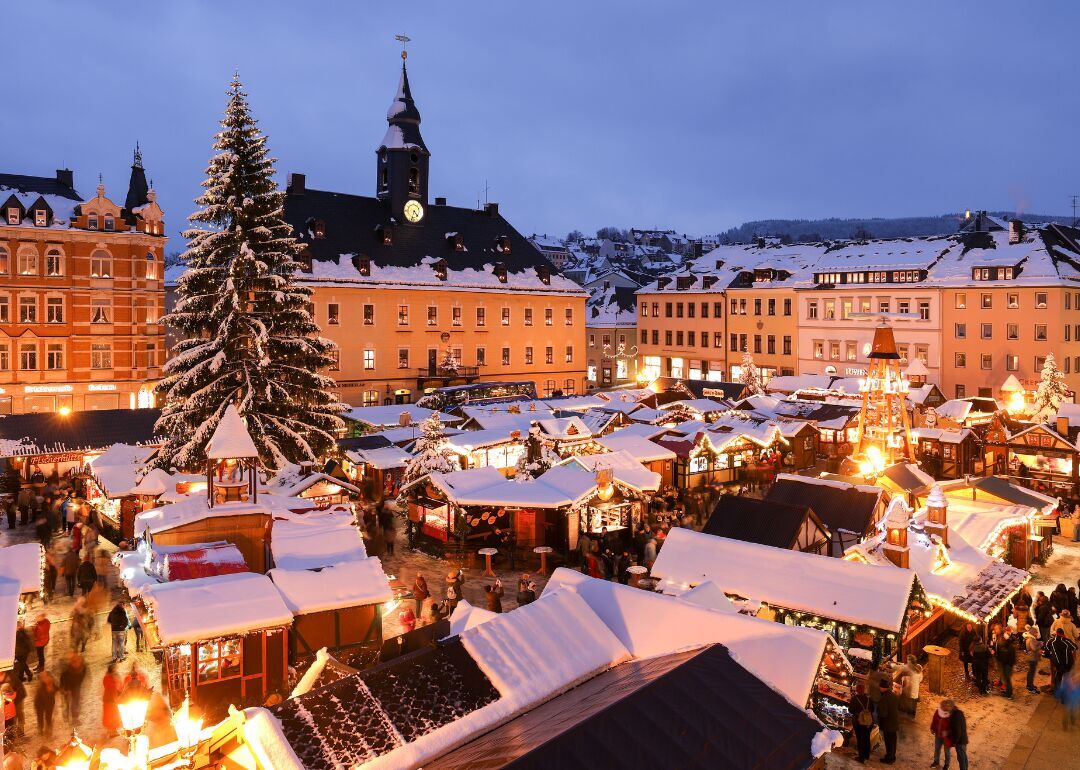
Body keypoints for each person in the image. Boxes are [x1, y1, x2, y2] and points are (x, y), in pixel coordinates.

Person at [1045, 628, 1078, 697]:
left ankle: (1057, 692)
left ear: (1055, 633)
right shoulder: (1067, 641)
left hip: (1058, 663)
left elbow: (1046, 649)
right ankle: (1067, 692)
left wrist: (1049, 655)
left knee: (1058, 677)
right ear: (1063, 634)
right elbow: (1075, 647)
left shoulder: (1051, 641)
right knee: (1067, 676)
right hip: (1068, 662)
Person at [876, 678, 900, 764]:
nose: (879, 688)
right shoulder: (894, 695)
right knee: (893, 741)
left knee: (889, 742)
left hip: (888, 724)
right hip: (894, 722)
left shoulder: (884, 698)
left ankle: (889, 759)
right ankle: (892, 756)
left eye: (880, 687)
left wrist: (878, 717)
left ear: (883, 688)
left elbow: (883, 713)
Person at [58, 651, 86, 726]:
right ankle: (67, 718)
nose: (77, 663)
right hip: (67, 687)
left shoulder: (82, 667)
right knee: (67, 703)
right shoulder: (66, 670)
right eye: (75, 661)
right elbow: (62, 678)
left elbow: (82, 676)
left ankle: (74, 718)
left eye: (78, 660)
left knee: (75, 702)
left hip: (76, 686)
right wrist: (64, 689)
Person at [849, 683, 873, 764]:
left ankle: (861, 757)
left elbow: (850, 710)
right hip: (869, 722)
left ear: (857, 690)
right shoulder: (869, 699)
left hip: (859, 722)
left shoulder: (854, 699)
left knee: (860, 739)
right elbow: (872, 709)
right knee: (867, 738)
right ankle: (867, 755)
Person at [33, 670, 56, 738]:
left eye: (46, 677)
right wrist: (49, 688)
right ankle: (40, 729)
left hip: (49, 704)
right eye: (42, 677)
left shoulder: (53, 683)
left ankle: (48, 732)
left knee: (48, 717)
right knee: (40, 717)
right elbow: (43, 695)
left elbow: (58, 688)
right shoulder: (40, 687)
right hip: (39, 704)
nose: (45, 679)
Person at [101, 663, 122, 736]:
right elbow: (114, 688)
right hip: (112, 699)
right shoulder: (112, 678)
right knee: (114, 715)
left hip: (106, 698)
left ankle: (110, 730)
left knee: (108, 715)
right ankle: (113, 731)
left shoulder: (106, 677)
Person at [996, 630, 1017, 698]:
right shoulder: (1007, 646)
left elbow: (1011, 657)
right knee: (1006, 679)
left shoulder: (1007, 647)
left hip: (1007, 665)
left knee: (1007, 679)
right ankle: (1008, 691)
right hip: (1007, 664)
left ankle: (1009, 694)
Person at [1025, 627, 1043, 694]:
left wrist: (1038, 642)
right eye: (1036, 632)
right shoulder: (1031, 639)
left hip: (1031, 657)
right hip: (1032, 658)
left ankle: (1029, 685)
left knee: (1030, 672)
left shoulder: (1029, 638)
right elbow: (1034, 648)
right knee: (1031, 673)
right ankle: (1030, 687)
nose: (1037, 634)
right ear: (1033, 632)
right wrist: (1040, 645)